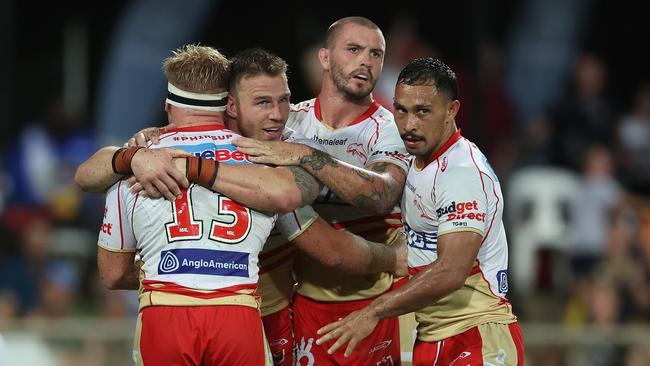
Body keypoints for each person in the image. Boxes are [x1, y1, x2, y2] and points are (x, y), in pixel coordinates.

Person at [89, 44, 320, 366]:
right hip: (237, 311)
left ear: (168, 104)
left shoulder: (137, 164)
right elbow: (291, 195)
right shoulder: (265, 156)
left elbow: (113, 275)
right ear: (228, 105)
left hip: (164, 311)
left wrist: (175, 267)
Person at [315, 57, 524, 365]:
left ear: (451, 110)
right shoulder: (416, 160)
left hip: (476, 335)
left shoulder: (461, 172)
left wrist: (374, 310)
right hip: (430, 336)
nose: (409, 124)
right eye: (401, 110)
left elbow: (452, 270)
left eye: (422, 111)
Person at [233, 16, 409, 365]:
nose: (366, 61)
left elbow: (381, 195)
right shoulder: (289, 119)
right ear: (325, 58)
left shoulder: (387, 129)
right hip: (305, 303)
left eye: (376, 54)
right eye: (354, 49)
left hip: (371, 300)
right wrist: (156, 136)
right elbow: (224, 139)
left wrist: (305, 155)